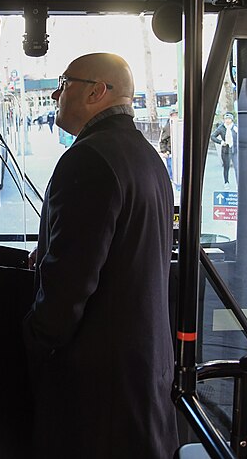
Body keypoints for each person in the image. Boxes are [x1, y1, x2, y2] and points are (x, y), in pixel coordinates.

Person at [23, 53, 178, 458]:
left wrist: (33, 341)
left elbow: (69, 286)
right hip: (141, 379)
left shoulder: (89, 160)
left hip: (97, 398)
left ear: (96, 91)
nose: (56, 93)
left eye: (64, 82)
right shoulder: (146, 158)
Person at [210, 111, 239, 187]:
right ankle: (226, 182)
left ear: (232, 119)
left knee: (237, 166)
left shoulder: (235, 127)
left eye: (229, 119)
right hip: (225, 149)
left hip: (235, 149)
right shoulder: (221, 127)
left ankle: (238, 184)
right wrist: (221, 142)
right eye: (226, 119)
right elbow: (213, 136)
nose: (227, 120)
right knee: (226, 166)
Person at [159, 108, 178, 184]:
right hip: (170, 152)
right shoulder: (167, 127)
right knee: (171, 168)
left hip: (175, 151)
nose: (175, 116)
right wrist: (165, 151)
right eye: (174, 115)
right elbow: (163, 140)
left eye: (176, 114)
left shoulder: (176, 126)